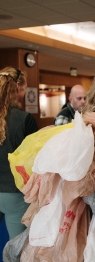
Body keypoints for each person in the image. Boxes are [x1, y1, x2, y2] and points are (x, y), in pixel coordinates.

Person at [0, 67, 38, 239]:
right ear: (18, 87)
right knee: (18, 248)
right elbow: (34, 160)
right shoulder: (23, 119)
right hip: (15, 192)